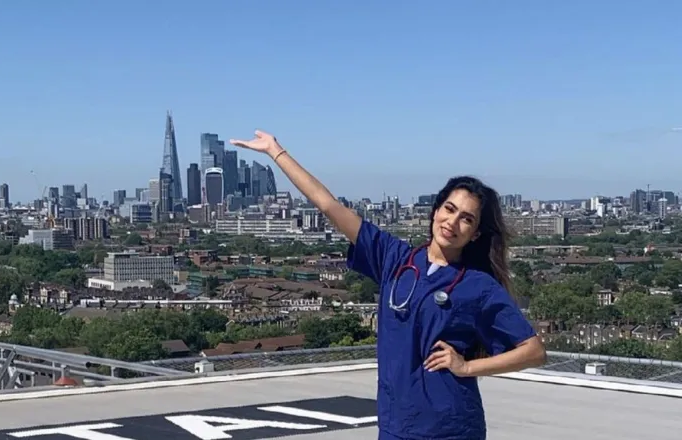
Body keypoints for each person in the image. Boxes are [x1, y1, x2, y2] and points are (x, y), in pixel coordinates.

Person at [230, 130, 547, 440]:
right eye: (449, 209)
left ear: (475, 233)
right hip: (395, 425)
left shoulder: (477, 286)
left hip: (451, 428)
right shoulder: (394, 259)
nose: (453, 222)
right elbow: (329, 206)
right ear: (435, 210)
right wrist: (276, 152)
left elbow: (533, 352)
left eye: (467, 218)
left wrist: (467, 367)